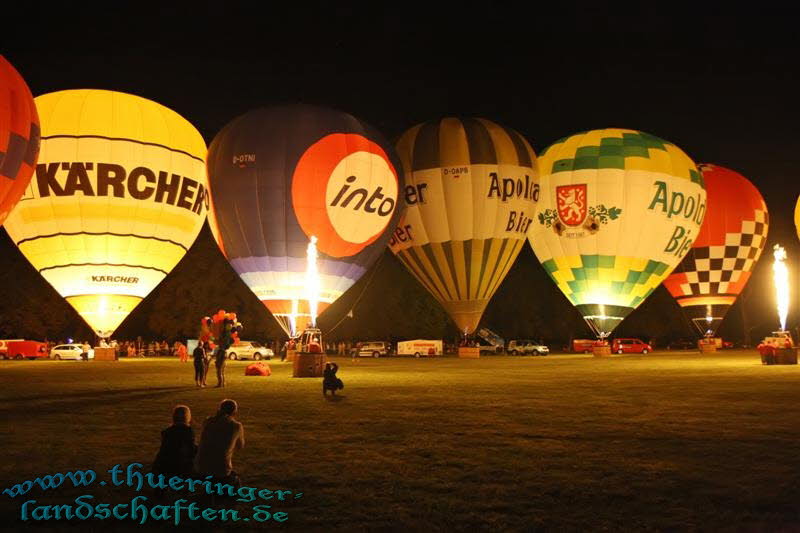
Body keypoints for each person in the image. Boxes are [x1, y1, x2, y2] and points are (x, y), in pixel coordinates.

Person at [195, 399, 244, 489]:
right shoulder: (236, 426)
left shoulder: (207, 421)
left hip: (200, 467)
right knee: (235, 479)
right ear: (234, 411)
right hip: (221, 471)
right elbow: (240, 446)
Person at [152, 405, 197, 497]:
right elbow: (190, 450)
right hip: (180, 465)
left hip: (163, 463)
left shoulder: (167, 431)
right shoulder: (188, 431)